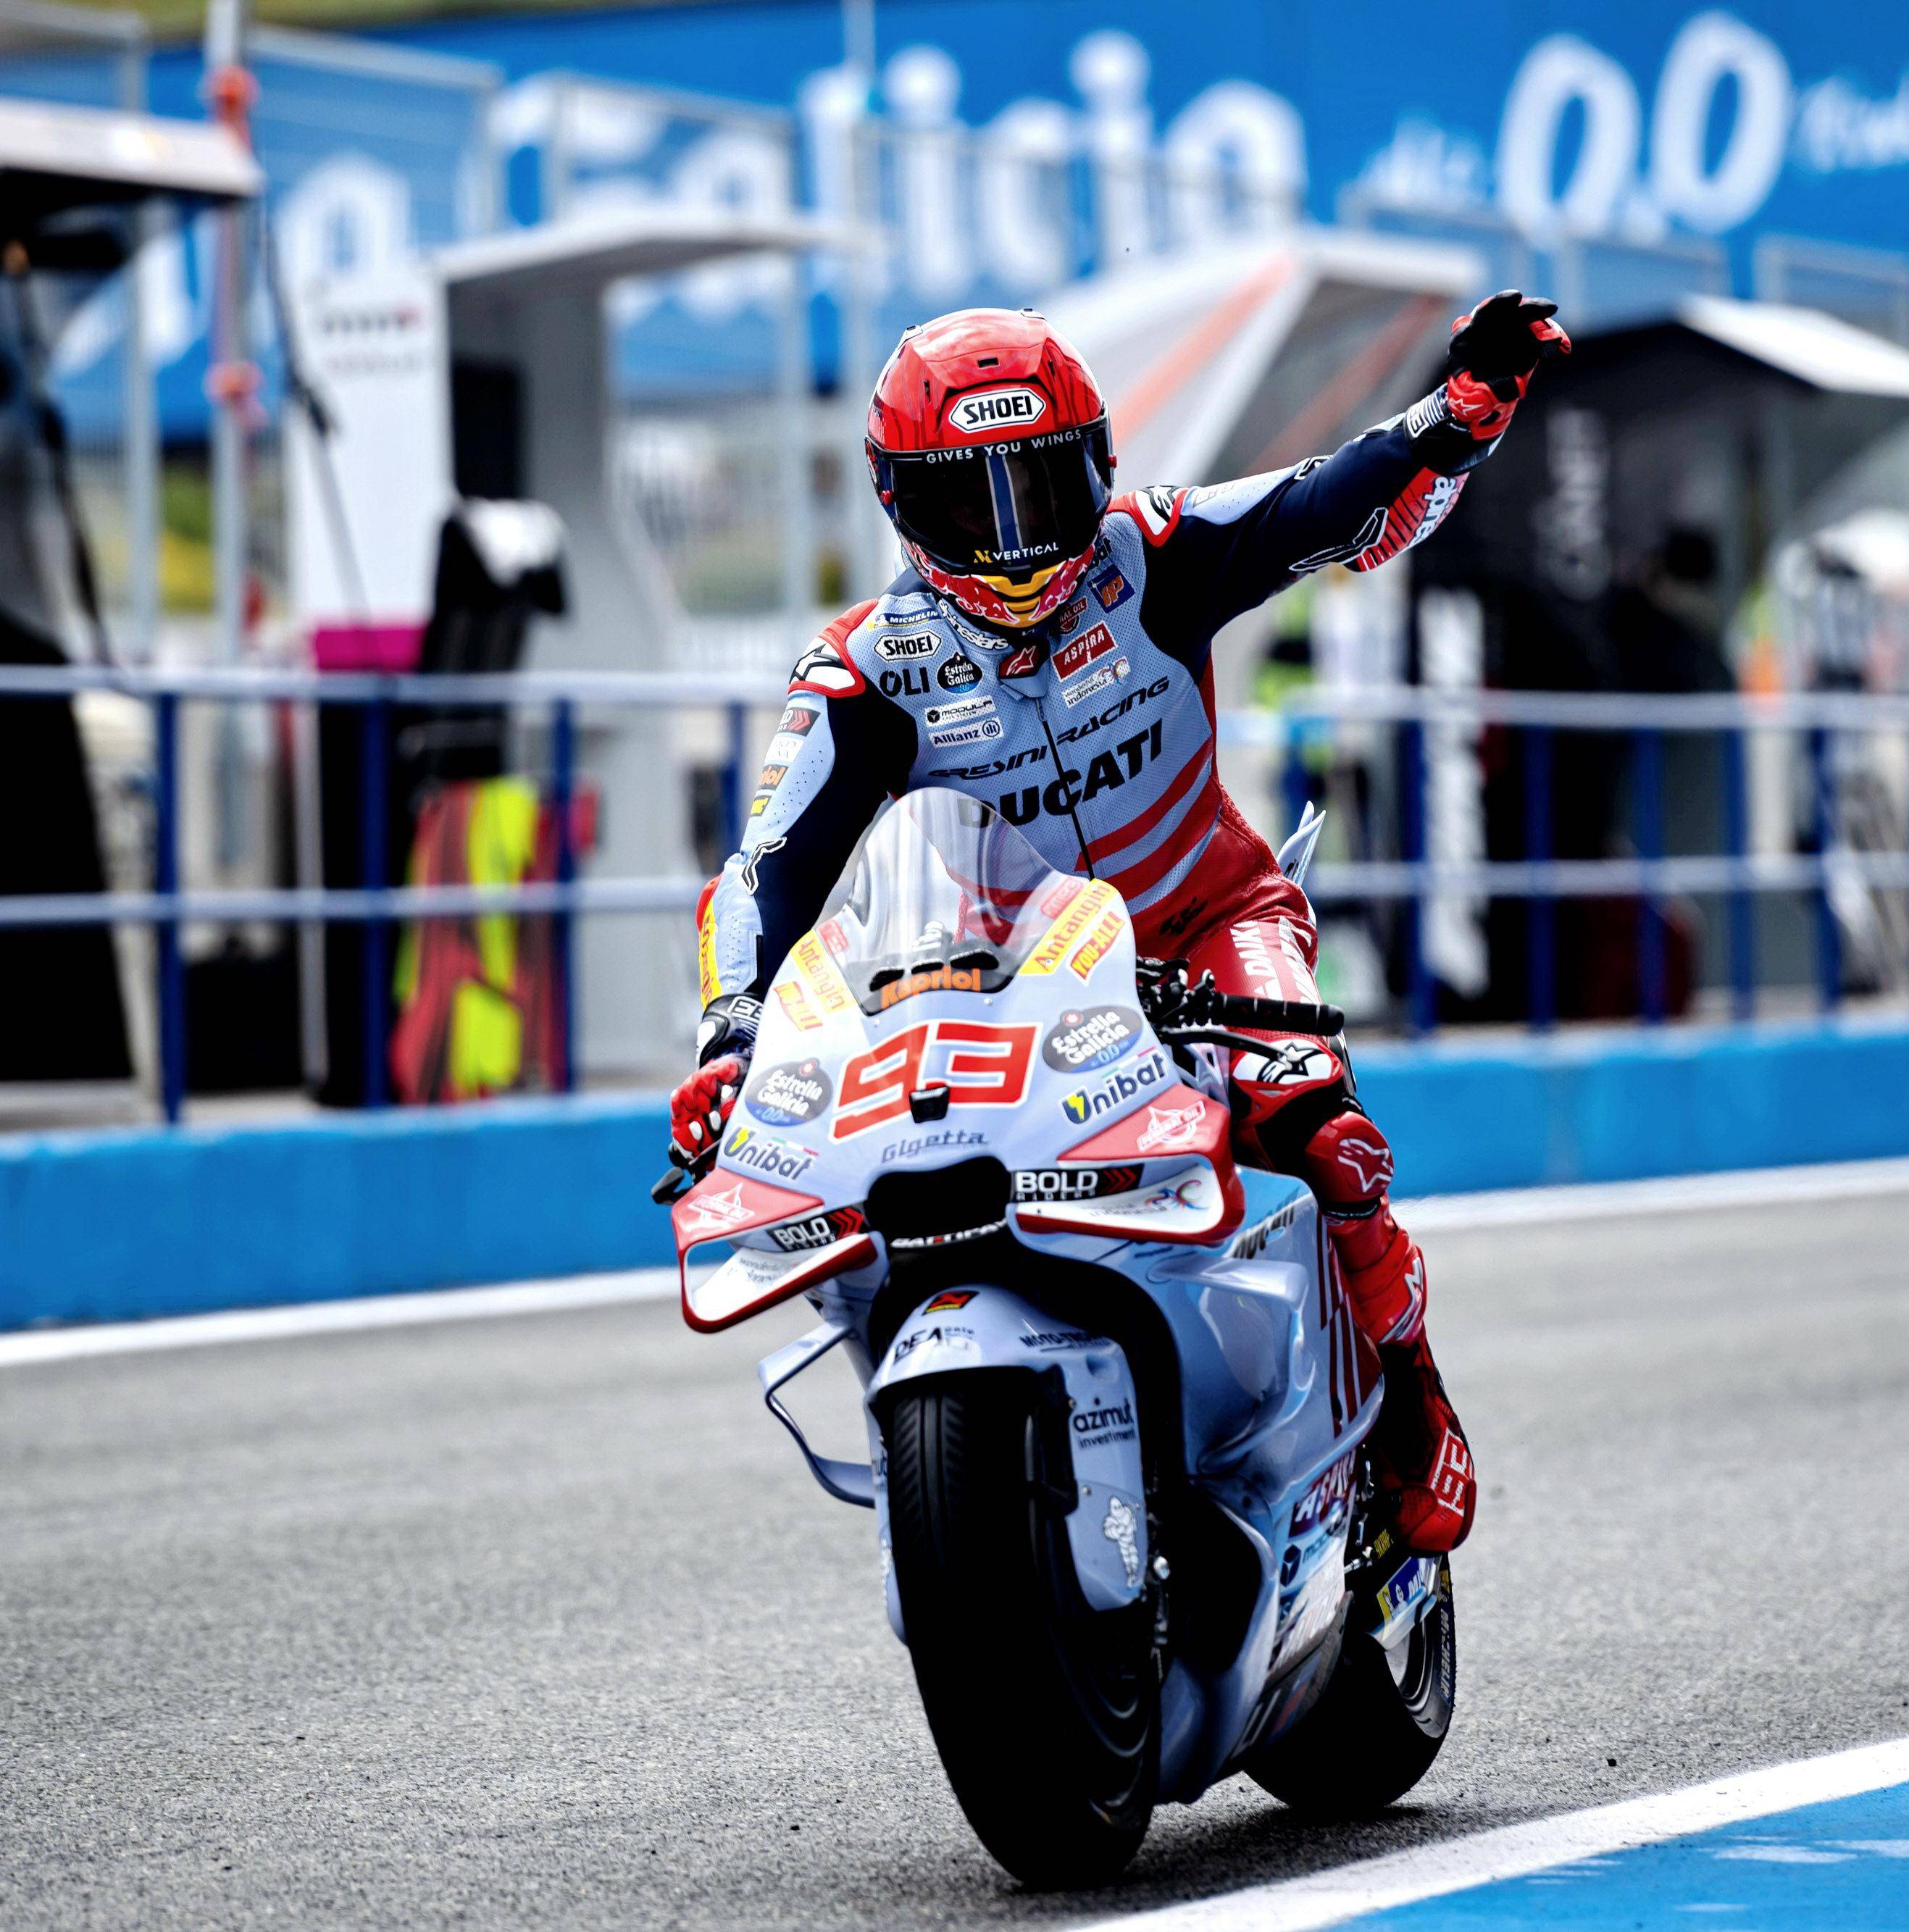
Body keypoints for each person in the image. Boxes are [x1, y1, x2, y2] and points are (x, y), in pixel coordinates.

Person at [669, 292, 1571, 1552]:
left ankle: (1414, 1394)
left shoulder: (1152, 552)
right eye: (967, 504)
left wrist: (1458, 413)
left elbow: (1331, 501)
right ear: (899, 504)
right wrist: (732, 1035)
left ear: (1096, 465)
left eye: (1039, 489)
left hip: (1210, 920)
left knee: (1324, 1129)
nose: (1012, 542)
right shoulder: (864, 668)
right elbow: (767, 870)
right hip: (1002, 979)